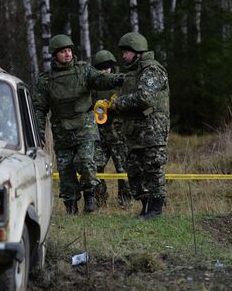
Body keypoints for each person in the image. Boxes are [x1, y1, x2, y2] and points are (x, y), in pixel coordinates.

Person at [33, 34, 124, 215]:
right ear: (55, 55)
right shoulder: (45, 80)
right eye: (62, 52)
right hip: (62, 129)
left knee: (86, 161)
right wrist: (39, 131)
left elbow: (100, 79)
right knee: (66, 169)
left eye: (69, 50)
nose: (67, 54)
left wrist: (117, 79)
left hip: (85, 125)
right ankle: (71, 205)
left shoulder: (84, 71)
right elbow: (39, 108)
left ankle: (90, 195)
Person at [109, 32, 170, 219]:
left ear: (138, 52)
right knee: (135, 170)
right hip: (134, 131)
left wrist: (117, 104)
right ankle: (145, 207)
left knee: (153, 167)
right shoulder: (132, 73)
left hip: (152, 130)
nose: (123, 56)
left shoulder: (152, 70)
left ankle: (156, 210)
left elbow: (144, 97)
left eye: (126, 52)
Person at [91, 50, 132, 208]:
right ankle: (100, 200)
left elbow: (131, 102)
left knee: (122, 169)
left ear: (112, 67)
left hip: (119, 134)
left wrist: (116, 104)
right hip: (99, 134)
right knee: (96, 166)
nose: (104, 70)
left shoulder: (121, 82)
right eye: (101, 67)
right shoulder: (93, 86)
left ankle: (125, 201)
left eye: (107, 67)